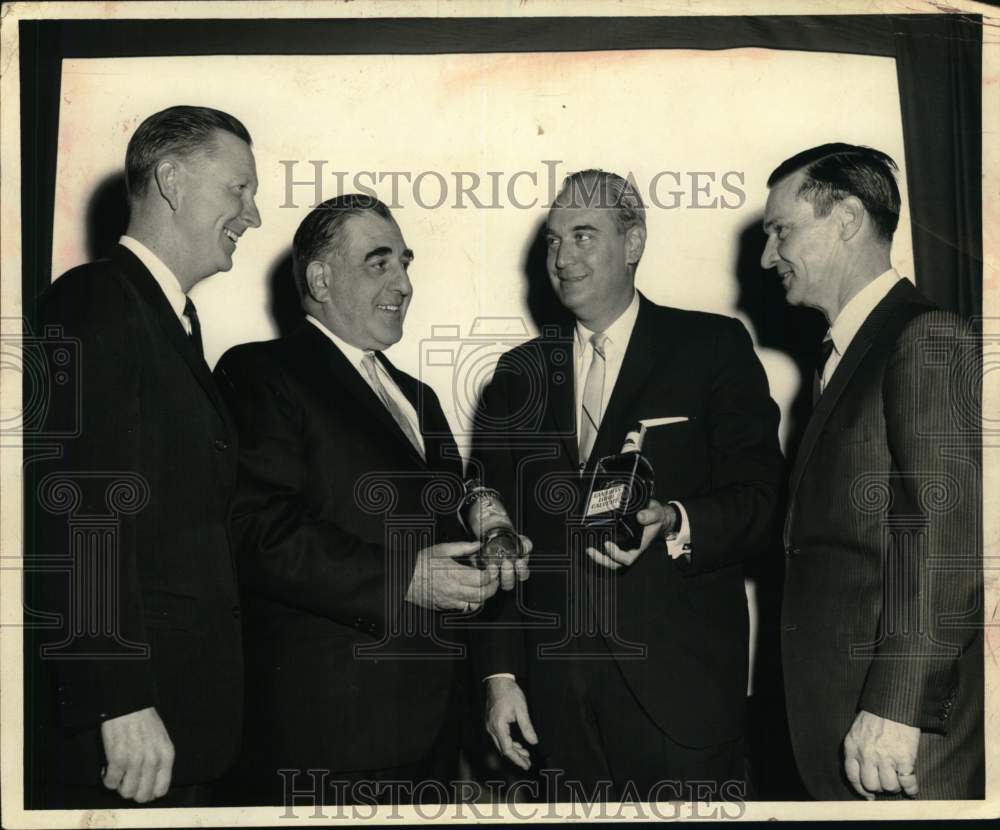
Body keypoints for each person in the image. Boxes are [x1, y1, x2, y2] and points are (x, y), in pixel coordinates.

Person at [473, 169, 784, 802]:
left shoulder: (711, 346)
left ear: (634, 241)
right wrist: (500, 676)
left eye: (584, 236)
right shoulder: (517, 373)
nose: (563, 258)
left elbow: (763, 500)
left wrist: (674, 519)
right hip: (553, 705)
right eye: (554, 241)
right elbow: (498, 538)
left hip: (679, 696)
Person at [214, 194, 527, 806]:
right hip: (325, 742)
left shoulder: (419, 396)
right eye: (379, 264)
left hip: (433, 736)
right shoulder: (261, 372)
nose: (404, 283)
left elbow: (447, 519)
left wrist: (491, 536)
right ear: (320, 278)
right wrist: (404, 577)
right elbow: (259, 529)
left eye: (405, 263)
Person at [28, 105, 262, 808]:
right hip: (131, 732)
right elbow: (78, 506)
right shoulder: (96, 299)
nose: (252, 217)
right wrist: (115, 700)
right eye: (239, 190)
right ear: (171, 180)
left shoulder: (170, 322)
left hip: (181, 721)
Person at [760, 143, 983, 800]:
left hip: (898, 744)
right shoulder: (842, 360)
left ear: (848, 219)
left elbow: (948, 542)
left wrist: (897, 706)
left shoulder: (926, 338)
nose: (768, 256)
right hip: (843, 730)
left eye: (781, 231)